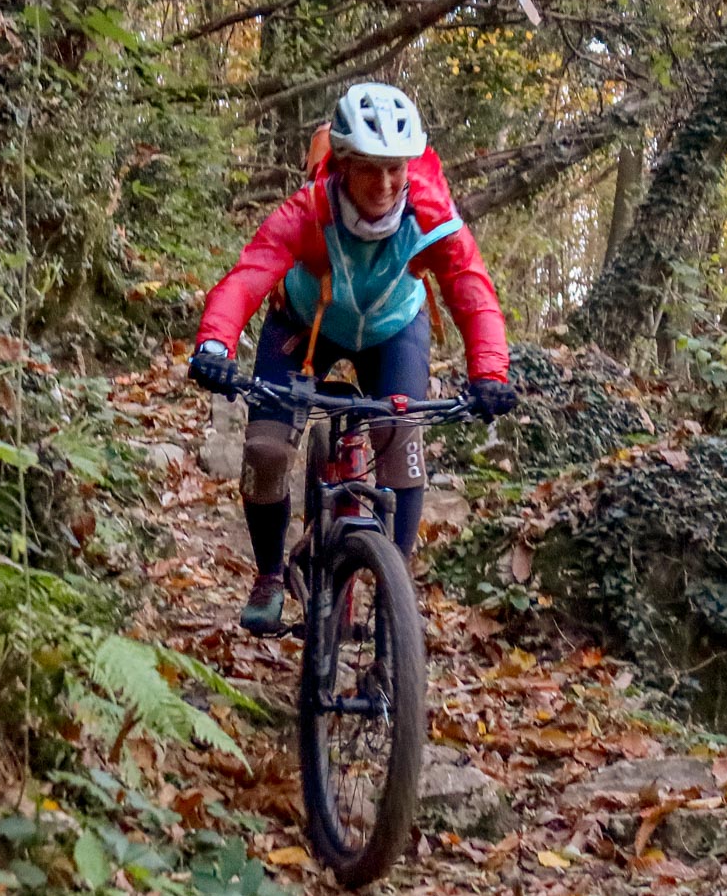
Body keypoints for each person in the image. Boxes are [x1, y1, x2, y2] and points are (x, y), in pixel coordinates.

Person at [188, 83, 518, 634]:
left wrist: (490, 373)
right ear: (341, 164)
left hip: (393, 330)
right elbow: (248, 276)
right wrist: (214, 345)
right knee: (267, 449)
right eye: (370, 168)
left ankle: (396, 590)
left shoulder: (430, 215)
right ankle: (270, 575)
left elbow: (471, 288)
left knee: (402, 441)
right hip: (305, 324)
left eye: (397, 168)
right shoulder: (309, 210)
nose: (386, 184)